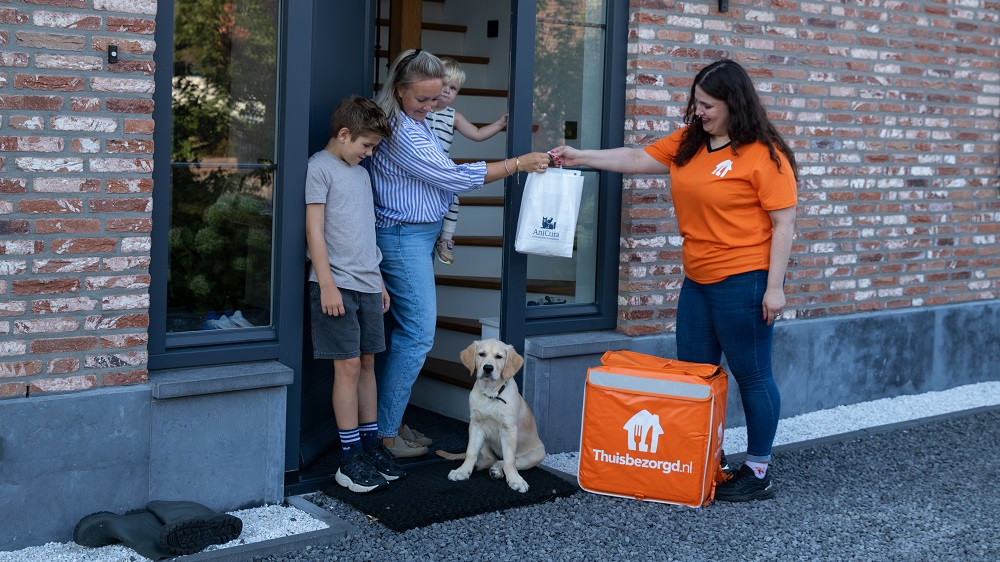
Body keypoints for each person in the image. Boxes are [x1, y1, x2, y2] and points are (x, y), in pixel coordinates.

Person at [550, 59, 798, 502]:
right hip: (697, 282)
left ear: (733, 104)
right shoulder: (690, 142)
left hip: (744, 280)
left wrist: (774, 287)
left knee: (753, 375)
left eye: (707, 105)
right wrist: (579, 157)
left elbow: (784, 223)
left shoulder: (764, 156)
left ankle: (759, 471)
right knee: (694, 375)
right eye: (696, 102)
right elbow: (636, 157)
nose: (698, 112)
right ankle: (707, 460)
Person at [371, 48, 551, 459]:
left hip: (419, 236)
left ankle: (390, 423)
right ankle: (384, 436)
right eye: (423, 99)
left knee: (407, 335)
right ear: (399, 91)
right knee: (417, 337)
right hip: (402, 238)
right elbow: (452, 175)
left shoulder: (417, 121)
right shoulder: (399, 130)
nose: (432, 106)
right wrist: (517, 163)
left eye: (437, 98)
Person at [305, 95, 404, 493]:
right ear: (344, 134)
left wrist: (378, 279)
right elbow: (314, 230)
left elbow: (365, 231)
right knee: (345, 367)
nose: (369, 154)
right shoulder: (319, 168)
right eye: (366, 146)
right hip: (336, 285)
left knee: (367, 364)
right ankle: (348, 459)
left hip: (366, 282)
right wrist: (326, 282)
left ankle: (368, 444)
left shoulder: (361, 174)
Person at [425, 57, 509, 265]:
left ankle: (445, 239)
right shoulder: (420, 110)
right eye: (443, 84)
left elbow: (477, 134)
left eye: (452, 88)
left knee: (453, 198)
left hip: (442, 168)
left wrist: (499, 124)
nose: (446, 90)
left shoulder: (454, 116)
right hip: (421, 166)